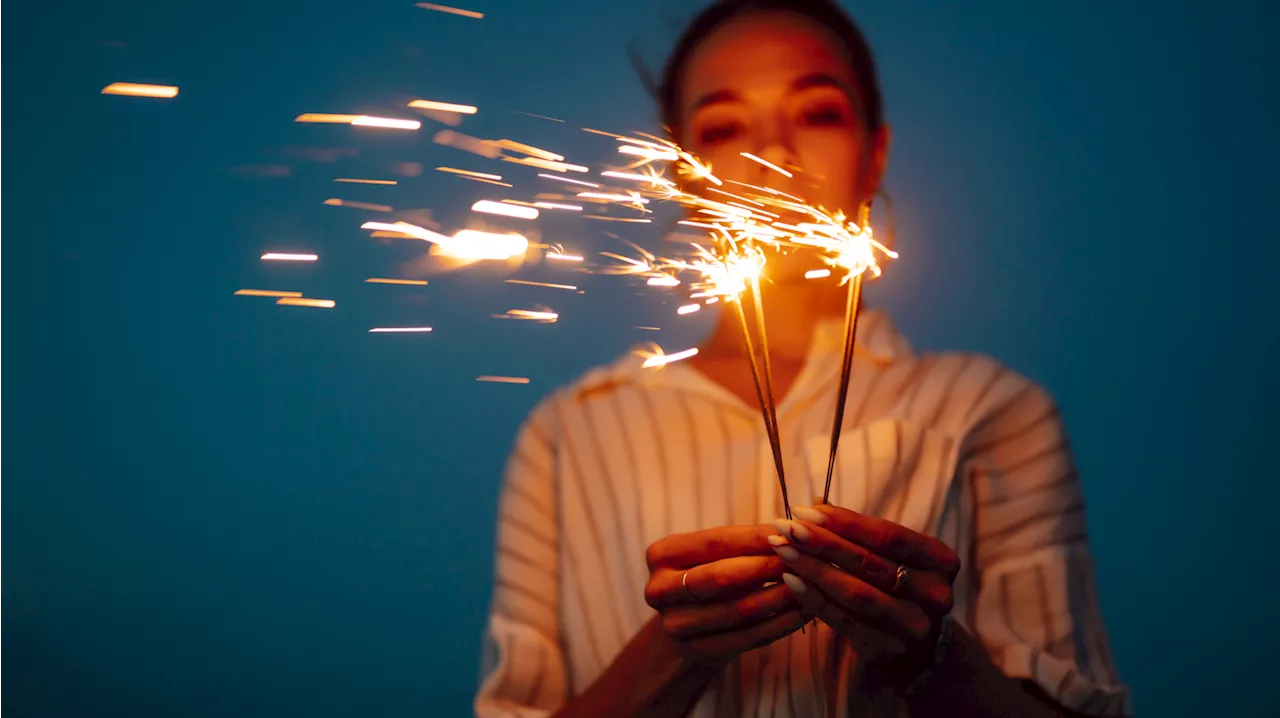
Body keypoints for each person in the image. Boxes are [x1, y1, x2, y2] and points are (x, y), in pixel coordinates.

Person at [474, 1, 1130, 716]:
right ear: (683, 177)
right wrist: (675, 650)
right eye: (724, 127)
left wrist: (931, 657)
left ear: (873, 155)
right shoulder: (568, 433)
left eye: (817, 113)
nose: (772, 156)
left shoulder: (992, 410)